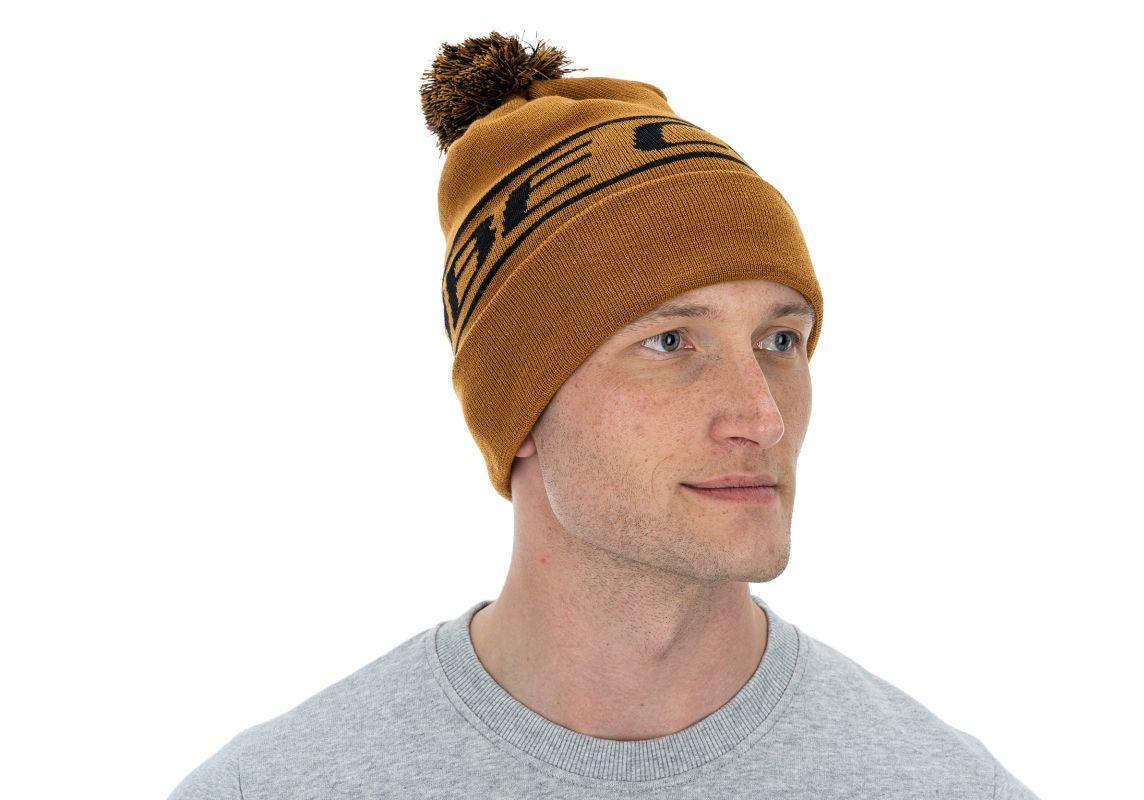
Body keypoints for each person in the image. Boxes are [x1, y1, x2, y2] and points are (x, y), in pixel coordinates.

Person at [167, 31, 1040, 799]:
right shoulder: (269, 789)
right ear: (519, 407)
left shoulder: (947, 787)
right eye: (670, 342)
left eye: (780, 340)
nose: (762, 417)